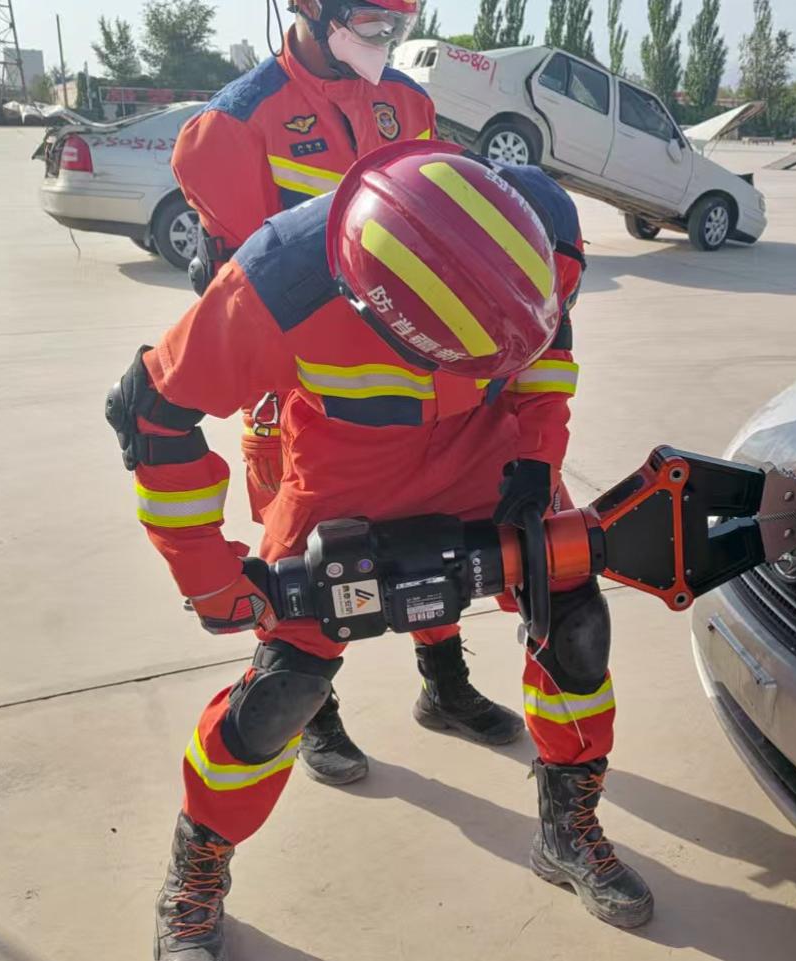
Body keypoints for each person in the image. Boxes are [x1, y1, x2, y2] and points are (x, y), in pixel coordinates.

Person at [107, 142, 652, 960]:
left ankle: (566, 828)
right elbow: (152, 412)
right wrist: (210, 576)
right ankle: (197, 872)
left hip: (487, 462)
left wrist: (537, 454)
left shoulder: (533, 231)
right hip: (344, 486)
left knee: (573, 621)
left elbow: (547, 346)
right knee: (280, 694)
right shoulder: (282, 278)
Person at [170, 0, 523, 786]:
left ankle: (445, 686)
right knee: (308, 557)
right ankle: (315, 713)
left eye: (400, 22)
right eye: (372, 19)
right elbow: (250, 287)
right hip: (304, 386)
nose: (388, 39)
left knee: (434, 535)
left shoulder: (408, 102)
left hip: (415, 362)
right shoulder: (234, 126)